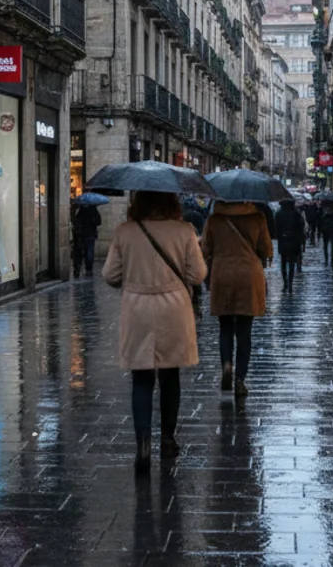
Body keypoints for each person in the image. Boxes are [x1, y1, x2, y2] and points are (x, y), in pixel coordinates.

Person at [102, 192, 206, 473]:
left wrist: (134, 275)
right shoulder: (184, 231)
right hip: (173, 309)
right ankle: (168, 438)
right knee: (170, 376)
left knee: (142, 378)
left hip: (137, 311)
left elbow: (110, 275)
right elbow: (197, 275)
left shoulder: (125, 232)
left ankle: (143, 444)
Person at [202, 201, 272, 396]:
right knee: (244, 332)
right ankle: (240, 378)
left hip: (222, 274)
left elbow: (205, 249)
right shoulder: (257, 218)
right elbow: (266, 249)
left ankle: (226, 364)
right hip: (248, 277)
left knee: (224, 328)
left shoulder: (214, 220)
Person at [275, 200, 305, 294]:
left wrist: (279, 236)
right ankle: (290, 283)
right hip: (294, 241)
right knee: (292, 263)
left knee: (283, 262)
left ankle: (285, 283)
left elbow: (276, 228)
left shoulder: (279, 213)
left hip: (283, 240)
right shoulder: (295, 213)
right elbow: (301, 226)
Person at [71, 203, 103, 277]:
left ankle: (77, 269)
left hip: (81, 234)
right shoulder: (94, 210)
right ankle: (89, 269)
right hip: (90, 234)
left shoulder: (81, 210)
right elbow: (99, 222)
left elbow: (77, 221)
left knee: (79, 252)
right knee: (89, 252)